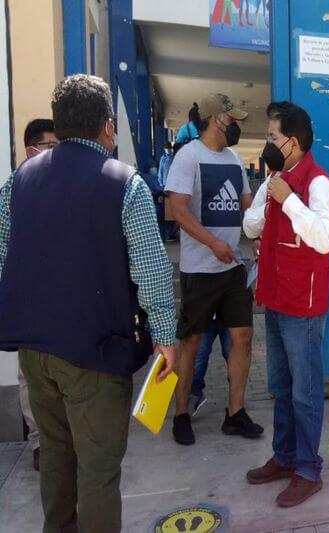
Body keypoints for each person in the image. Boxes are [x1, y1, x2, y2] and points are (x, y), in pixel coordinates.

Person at [0, 74, 177, 532]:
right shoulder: (126, 185)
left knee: (57, 455)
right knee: (98, 471)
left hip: (35, 352)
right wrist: (165, 338)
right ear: (108, 126)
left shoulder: (19, 181)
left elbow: (5, 254)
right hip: (96, 353)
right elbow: (152, 271)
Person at [244, 101, 329, 508]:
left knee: (305, 390)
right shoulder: (276, 178)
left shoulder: (317, 183)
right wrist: (270, 195)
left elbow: (324, 237)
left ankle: (308, 469)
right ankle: (284, 457)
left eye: (271, 138)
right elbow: (250, 224)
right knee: (280, 386)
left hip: (305, 304)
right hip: (276, 298)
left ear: (293, 143)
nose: (268, 144)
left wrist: (289, 200)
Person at [165, 92, 262, 445]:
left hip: (233, 269)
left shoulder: (235, 160)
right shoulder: (187, 158)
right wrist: (213, 242)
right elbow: (178, 210)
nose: (235, 125)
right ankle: (180, 415)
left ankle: (235, 413)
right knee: (190, 342)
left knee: (243, 337)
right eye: (232, 119)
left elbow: (247, 207)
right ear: (216, 120)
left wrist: (254, 234)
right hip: (200, 270)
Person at [14, 118, 59, 472]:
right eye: (53, 147)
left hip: (63, 306)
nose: (60, 155)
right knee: (31, 381)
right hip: (30, 308)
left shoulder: (62, 191)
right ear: (33, 151)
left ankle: (61, 441)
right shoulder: (13, 193)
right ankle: (39, 443)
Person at [188, 317, 232, 416]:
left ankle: (236, 402)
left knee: (232, 355)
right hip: (206, 313)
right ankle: (195, 392)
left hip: (230, 312)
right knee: (200, 354)